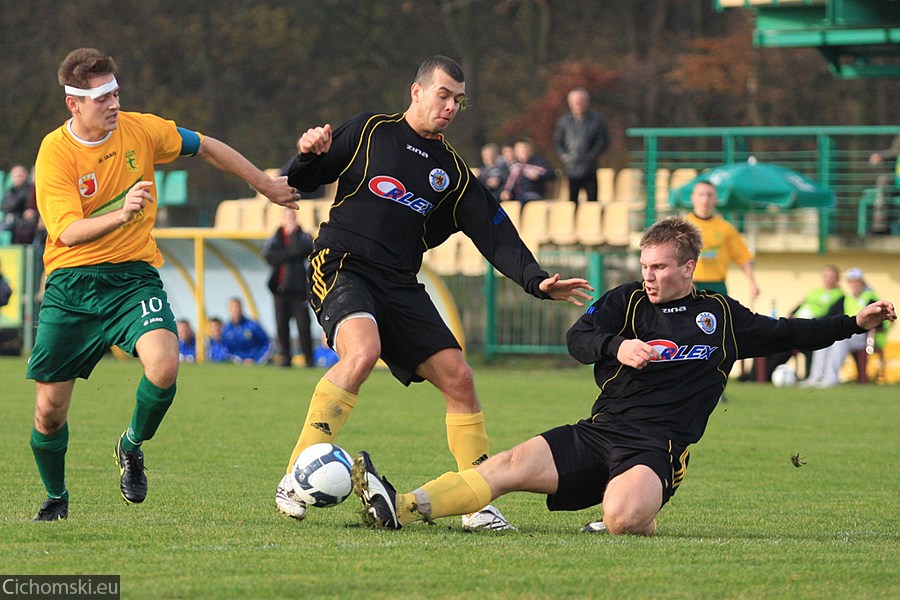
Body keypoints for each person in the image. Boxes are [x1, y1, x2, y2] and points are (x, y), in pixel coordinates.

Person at [350, 216, 896, 535]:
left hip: (654, 448)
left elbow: (788, 333)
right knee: (505, 465)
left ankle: (639, 503)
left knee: (620, 520)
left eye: (660, 267)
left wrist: (853, 322)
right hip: (600, 431)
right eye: (645, 266)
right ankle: (398, 507)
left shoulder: (722, 315)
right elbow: (577, 340)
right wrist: (618, 344)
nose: (650, 276)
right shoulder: (625, 302)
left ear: (688, 268)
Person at [276, 55, 593, 529]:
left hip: (399, 282)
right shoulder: (369, 130)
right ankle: (294, 477)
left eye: (458, 101)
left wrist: (536, 278)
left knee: (459, 377)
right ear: (417, 91)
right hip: (342, 263)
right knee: (362, 353)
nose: (450, 107)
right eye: (443, 95)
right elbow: (301, 179)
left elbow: (494, 230)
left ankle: (476, 497)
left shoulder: (452, 172)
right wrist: (307, 152)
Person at [27, 48, 299, 522]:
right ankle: (56, 497)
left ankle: (131, 446)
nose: (113, 103)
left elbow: (208, 146)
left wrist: (266, 185)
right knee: (49, 412)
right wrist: (122, 212)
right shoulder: (55, 152)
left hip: (133, 276)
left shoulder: (142, 129)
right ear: (73, 104)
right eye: (100, 97)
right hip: (71, 285)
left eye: (115, 92)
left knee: (165, 364)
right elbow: (67, 231)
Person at [739, 264, 844, 382]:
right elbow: (798, 306)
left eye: (831, 277)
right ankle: (754, 375)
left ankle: (763, 376)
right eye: (826, 276)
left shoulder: (839, 295)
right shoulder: (815, 292)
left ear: (837, 279)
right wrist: (791, 315)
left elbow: (831, 316)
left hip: (811, 328)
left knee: (784, 347)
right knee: (767, 339)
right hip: (796, 324)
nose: (828, 279)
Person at [802, 268, 886, 388]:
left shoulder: (870, 299)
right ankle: (815, 377)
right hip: (848, 333)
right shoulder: (845, 299)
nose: (854, 284)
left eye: (856, 281)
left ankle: (831, 378)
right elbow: (829, 316)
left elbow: (880, 322)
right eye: (851, 282)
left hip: (863, 337)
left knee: (839, 341)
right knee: (823, 338)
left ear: (862, 282)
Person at [685, 181, 760, 300]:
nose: (705, 199)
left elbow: (743, 257)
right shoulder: (684, 226)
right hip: (691, 284)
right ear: (693, 197)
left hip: (717, 285)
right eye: (701, 195)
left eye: (709, 195)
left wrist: (752, 282)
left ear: (716, 199)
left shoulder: (725, 228)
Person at [263, 207, 315, 368]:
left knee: (303, 326)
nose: (290, 219)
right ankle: (285, 358)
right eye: (287, 216)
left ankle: (309, 359)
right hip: (280, 289)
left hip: (299, 291)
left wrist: (291, 241)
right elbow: (270, 257)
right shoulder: (276, 238)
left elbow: (305, 250)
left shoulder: (303, 236)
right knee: (281, 326)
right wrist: (291, 253)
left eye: (292, 216)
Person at [553, 88, 609, 203]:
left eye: (580, 101)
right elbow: (558, 142)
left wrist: (591, 157)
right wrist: (565, 156)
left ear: (586, 102)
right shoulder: (564, 122)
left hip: (589, 168)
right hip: (571, 169)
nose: (577, 104)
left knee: (592, 202)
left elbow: (602, 141)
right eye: (574, 101)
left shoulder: (596, 120)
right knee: (572, 202)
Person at [499, 139, 557, 204]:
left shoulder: (539, 163)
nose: (524, 153)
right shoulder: (514, 167)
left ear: (531, 150)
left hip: (533, 193)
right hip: (516, 196)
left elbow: (552, 174)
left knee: (527, 198)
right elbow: (508, 183)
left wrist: (538, 176)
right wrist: (505, 191)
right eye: (520, 151)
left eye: (526, 150)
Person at [221, 297, 273, 364]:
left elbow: (268, 343)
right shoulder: (226, 330)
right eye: (232, 308)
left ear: (241, 309)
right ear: (228, 310)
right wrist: (239, 360)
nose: (235, 310)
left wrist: (256, 360)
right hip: (237, 365)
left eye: (237, 308)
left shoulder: (253, 325)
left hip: (256, 364)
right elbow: (226, 350)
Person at [868, 135, 900, 234]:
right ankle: (881, 227)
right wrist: (880, 156)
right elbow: (893, 152)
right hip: (897, 180)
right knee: (883, 181)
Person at [1, 164, 39, 244]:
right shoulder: (10, 190)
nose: (19, 177)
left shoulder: (32, 189)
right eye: (16, 175)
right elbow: (5, 206)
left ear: (26, 174)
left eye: (21, 175)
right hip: (14, 223)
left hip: (28, 224)